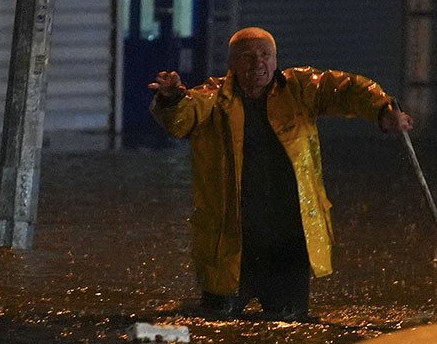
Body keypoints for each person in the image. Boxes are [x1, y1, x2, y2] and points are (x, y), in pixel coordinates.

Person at [149, 27, 412, 320]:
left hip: (289, 241)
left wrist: (383, 109)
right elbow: (180, 119)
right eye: (247, 57)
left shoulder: (300, 89)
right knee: (215, 320)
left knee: (291, 323)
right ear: (232, 64)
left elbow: (347, 89)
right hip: (232, 244)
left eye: (265, 55)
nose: (258, 63)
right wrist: (171, 97)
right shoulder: (211, 99)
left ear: (276, 60)